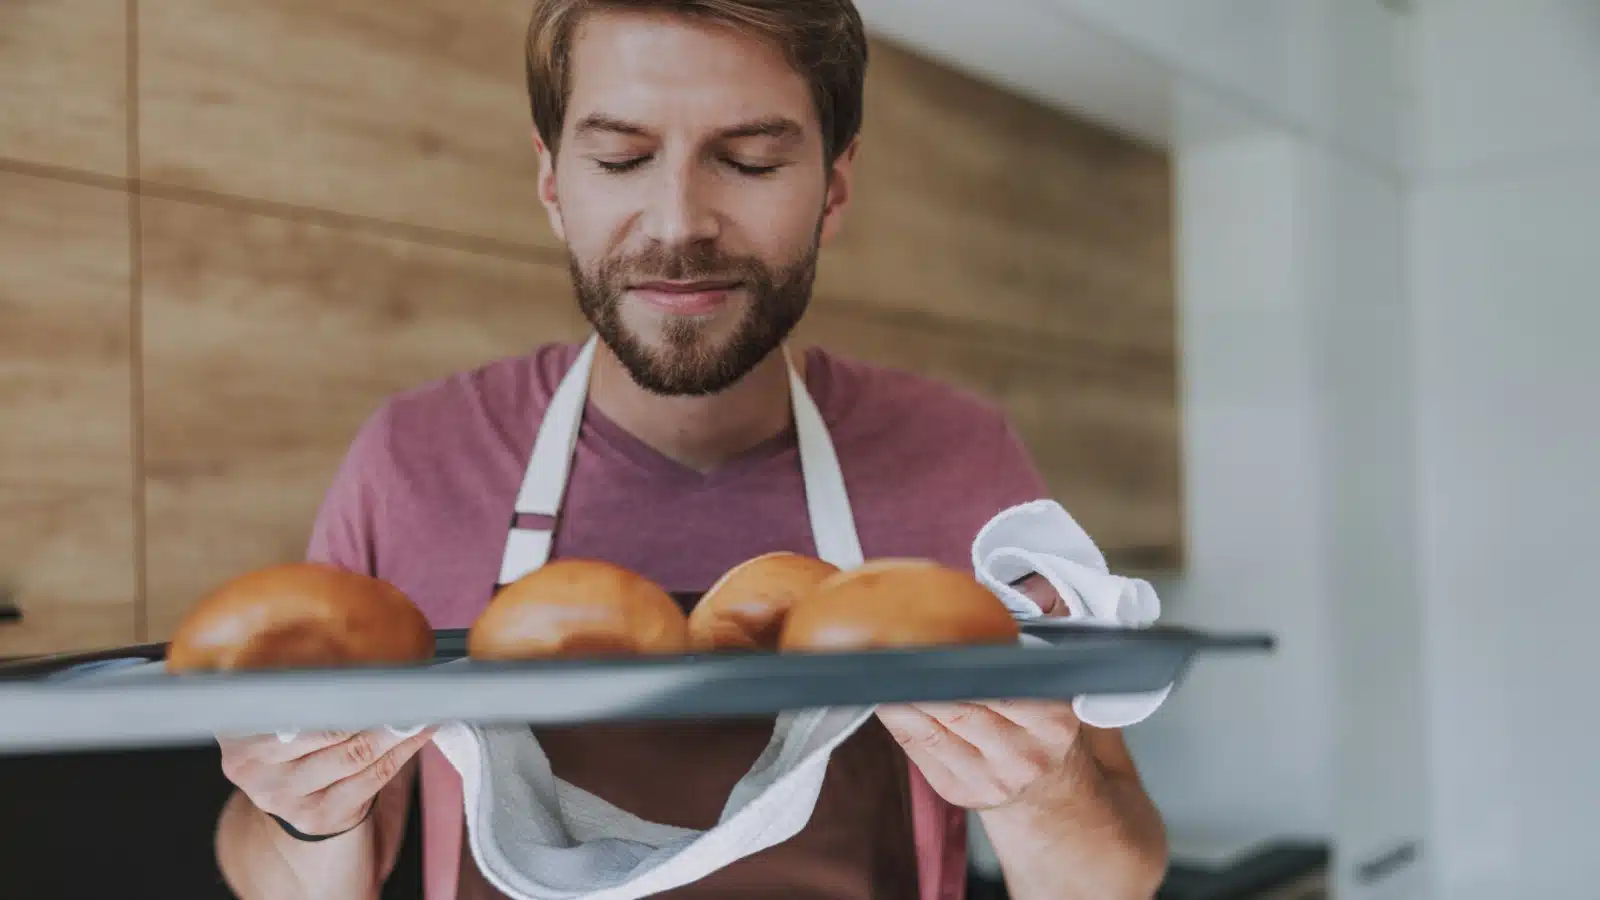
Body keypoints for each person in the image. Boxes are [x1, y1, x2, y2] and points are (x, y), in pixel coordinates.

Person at [210, 1, 1169, 897]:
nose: (679, 226)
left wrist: (1041, 791)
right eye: (622, 159)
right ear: (552, 184)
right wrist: (302, 815)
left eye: (749, 161)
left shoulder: (960, 460)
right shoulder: (416, 460)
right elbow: (289, 866)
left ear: (834, 187)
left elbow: (1116, 872)